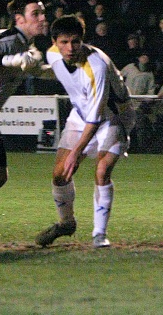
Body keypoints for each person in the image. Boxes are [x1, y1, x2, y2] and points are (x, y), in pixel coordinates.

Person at [35, 14, 135, 248]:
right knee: (60, 175)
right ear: (54, 42)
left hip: (112, 117)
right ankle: (66, 223)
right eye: (64, 42)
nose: (70, 48)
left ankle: (99, 234)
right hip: (80, 115)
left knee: (102, 170)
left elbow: (97, 116)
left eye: (75, 41)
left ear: (83, 40)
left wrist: (75, 152)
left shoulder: (97, 65)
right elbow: (58, 73)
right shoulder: (52, 55)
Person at [0, 0, 47, 231]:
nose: (42, 18)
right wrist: (8, 61)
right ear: (19, 19)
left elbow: (34, 69)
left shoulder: (27, 49)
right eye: (35, 14)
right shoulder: (7, 39)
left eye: (42, 13)